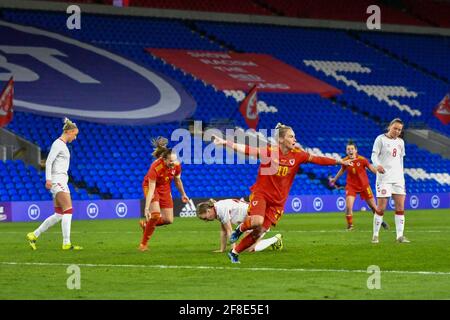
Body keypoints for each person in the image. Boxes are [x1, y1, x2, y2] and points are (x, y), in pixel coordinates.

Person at [212, 123, 353, 263]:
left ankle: (234, 252)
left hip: (278, 202)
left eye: (295, 137)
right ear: (281, 139)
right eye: (291, 137)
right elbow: (246, 149)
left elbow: (317, 159)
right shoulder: (269, 152)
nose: (295, 140)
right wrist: (225, 142)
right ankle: (240, 229)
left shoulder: (298, 155)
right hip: (261, 194)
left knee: (259, 232)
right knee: (257, 221)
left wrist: (339, 161)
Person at [26, 118, 82, 250]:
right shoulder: (58, 144)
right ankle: (66, 243)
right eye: (75, 134)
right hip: (58, 181)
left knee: (59, 214)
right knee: (68, 210)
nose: (75, 138)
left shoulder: (62, 145)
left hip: (59, 181)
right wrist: (48, 179)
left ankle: (34, 235)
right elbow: (49, 161)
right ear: (69, 132)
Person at [139, 137, 189, 251]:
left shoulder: (176, 165)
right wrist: (146, 208)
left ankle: (147, 225)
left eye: (175, 160)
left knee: (168, 220)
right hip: (151, 186)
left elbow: (177, 180)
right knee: (155, 214)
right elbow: (151, 190)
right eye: (171, 161)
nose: (174, 163)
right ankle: (143, 244)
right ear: (164, 159)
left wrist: (183, 194)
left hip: (165, 187)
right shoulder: (155, 167)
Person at [330, 140, 389, 231]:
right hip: (351, 186)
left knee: (374, 207)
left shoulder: (362, 159)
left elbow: (371, 168)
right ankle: (350, 226)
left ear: (356, 150)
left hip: (364, 186)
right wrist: (335, 179)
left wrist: (380, 174)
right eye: (348, 149)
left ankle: (380, 221)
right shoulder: (345, 160)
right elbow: (342, 170)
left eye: (352, 149)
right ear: (346, 151)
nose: (350, 151)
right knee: (349, 206)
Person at [371, 118, 409, 244]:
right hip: (384, 178)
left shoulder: (401, 142)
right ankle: (375, 235)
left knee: (400, 207)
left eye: (399, 129)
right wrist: (377, 165)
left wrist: (402, 176)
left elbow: (401, 160)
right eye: (395, 128)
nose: (397, 131)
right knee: (381, 207)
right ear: (389, 126)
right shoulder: (380, 139)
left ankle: (399, 236)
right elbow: (373, 156)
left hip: (398, 179)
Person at [196, 198, 283, 253]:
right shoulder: (217, 209)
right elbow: (223, 231)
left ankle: (275, 239)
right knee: (246, 247)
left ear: (208, 211)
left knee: (250, 248)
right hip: (251, 221)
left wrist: (233, 250)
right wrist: (222, 249)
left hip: (257, 218)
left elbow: (230, 231)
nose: (206, 220)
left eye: (204, 218)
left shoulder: (220, 209)